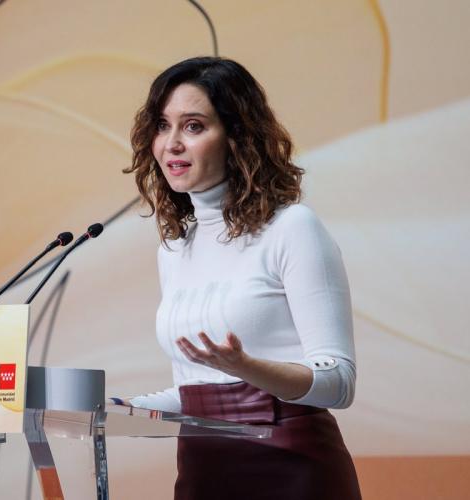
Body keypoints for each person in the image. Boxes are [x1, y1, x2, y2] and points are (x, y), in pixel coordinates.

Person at [122, 57, 362, 499]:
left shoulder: (292, 228)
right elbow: (196, 391)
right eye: (162, 126)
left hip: (291, 470)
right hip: (204, 474)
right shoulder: (174, 250)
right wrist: (119, 409)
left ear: (237, 137)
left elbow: (339, 383)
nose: (172, 144)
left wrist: (247, 368)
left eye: (193, 126)